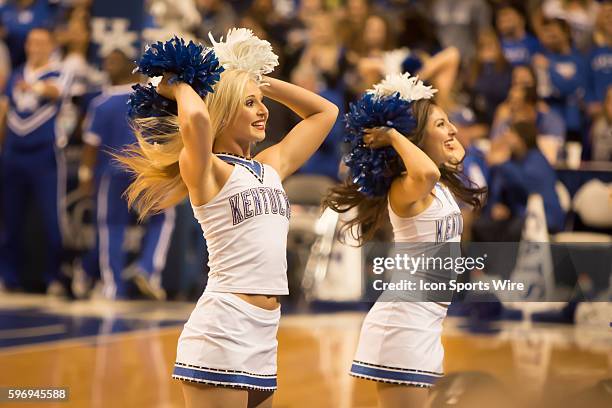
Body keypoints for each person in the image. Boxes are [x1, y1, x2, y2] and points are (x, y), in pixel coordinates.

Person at [116, 31, 338, 407]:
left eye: (261, 102)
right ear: (224, 111)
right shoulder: (206, 169)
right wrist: (182, 84)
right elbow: (198, 121)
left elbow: (325, 113)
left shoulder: (270, 167)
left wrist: (252, 77)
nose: (263, 110)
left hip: (265, 332)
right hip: (223, 329)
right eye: (250, 103)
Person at [323, 73, 484, 408]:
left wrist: (432, 126)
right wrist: (393, 134)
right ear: (418, 138)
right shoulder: (406, 187)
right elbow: (426, 171)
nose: (452, 129)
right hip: (403, 326)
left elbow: (446, 157)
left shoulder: (440, 188)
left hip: (425, 323)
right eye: (442, 124)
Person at [78, 49, 175, 300]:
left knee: (111, 227)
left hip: (113, 173)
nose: (108, 65)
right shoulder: (150, 97)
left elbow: (90, 146)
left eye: (112, 61)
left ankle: (113, 287)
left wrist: (85, 175)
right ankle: (148, 269)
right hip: (145, 169)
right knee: (161, 220)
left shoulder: (101, 103)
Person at [0, 27, 70, 293]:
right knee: (10, 219)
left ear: (51, 45)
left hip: (44, 153)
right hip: (14, 153)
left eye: (42, 43)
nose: (35, 48)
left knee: (52, 219)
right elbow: (5, 109)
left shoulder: (58, 70)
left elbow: (57, 91)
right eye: (32, 43)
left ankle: (54, 276)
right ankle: (9, 276)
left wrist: (36, 86)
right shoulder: (16, 73)